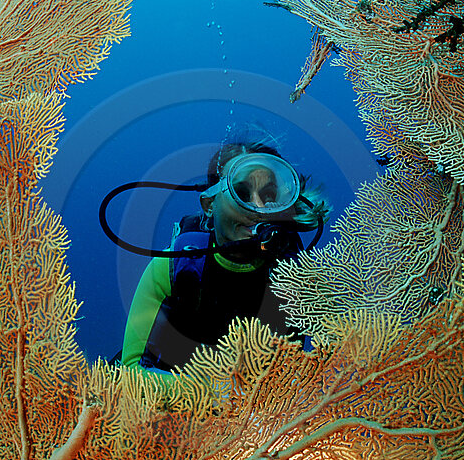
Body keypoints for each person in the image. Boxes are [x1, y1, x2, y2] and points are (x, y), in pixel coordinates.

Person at [120, 133, 328, 373]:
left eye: (269, 196)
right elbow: (132, 373)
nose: (258, 207)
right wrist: (217, 394)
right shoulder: (173, 267)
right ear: (210, 205)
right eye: (242, 192)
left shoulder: (294, 275)